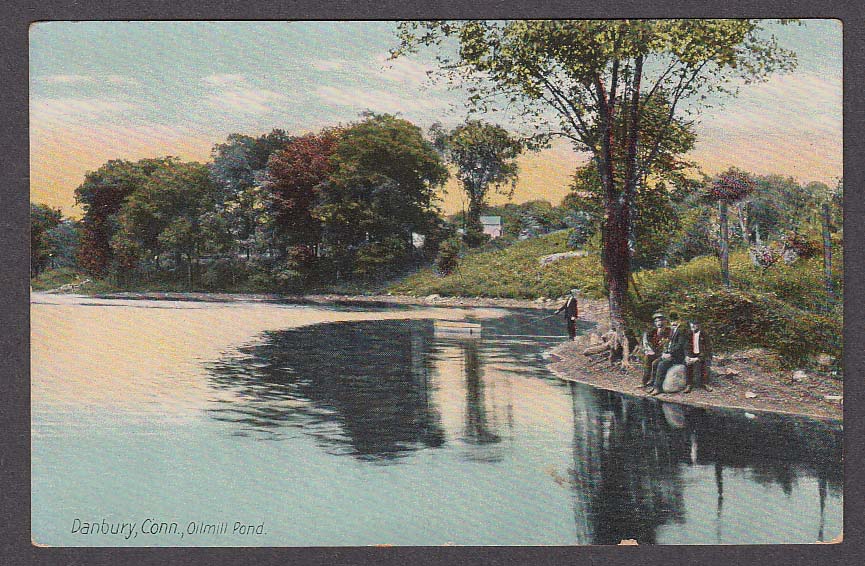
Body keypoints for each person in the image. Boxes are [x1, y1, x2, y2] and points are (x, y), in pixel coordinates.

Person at [648, 312, 689, 396]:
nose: (673, 323)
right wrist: (665, 352)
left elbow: (680, 345)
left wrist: (670, 353)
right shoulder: (671, 330)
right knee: (655, 363)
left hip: (678, 356)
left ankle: (658, 388)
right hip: (670, 354)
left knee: (662, 364)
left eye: (675, 321)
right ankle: (653, 384)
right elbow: (668, 343)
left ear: (679, 320)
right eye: (671, 321)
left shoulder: (682, 331)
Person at [641, 312, 671, 388]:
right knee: (647, 358)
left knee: (655, 363)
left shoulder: (669, 331)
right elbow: (649, 344)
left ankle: (653, 381)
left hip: (664, 353)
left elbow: (668, 344)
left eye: (661, 321)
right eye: (657, 321)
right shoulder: (652, 332)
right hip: (655, 352)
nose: (659, 323)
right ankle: (644, 381)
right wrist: (649, 351)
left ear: (665, 322)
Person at [684, 320, 713, 393]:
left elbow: (707, 349)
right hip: (692, 354)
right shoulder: (689, 334)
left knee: (705, 363)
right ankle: (689, 384)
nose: (692, 326)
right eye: (691, 324)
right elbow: (686, 347)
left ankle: (705, 383)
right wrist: (687, 356)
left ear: (699, 325)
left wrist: (698, 358)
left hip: (703, 355)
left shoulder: (704, 334)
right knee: (688, 364)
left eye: (694, 324)